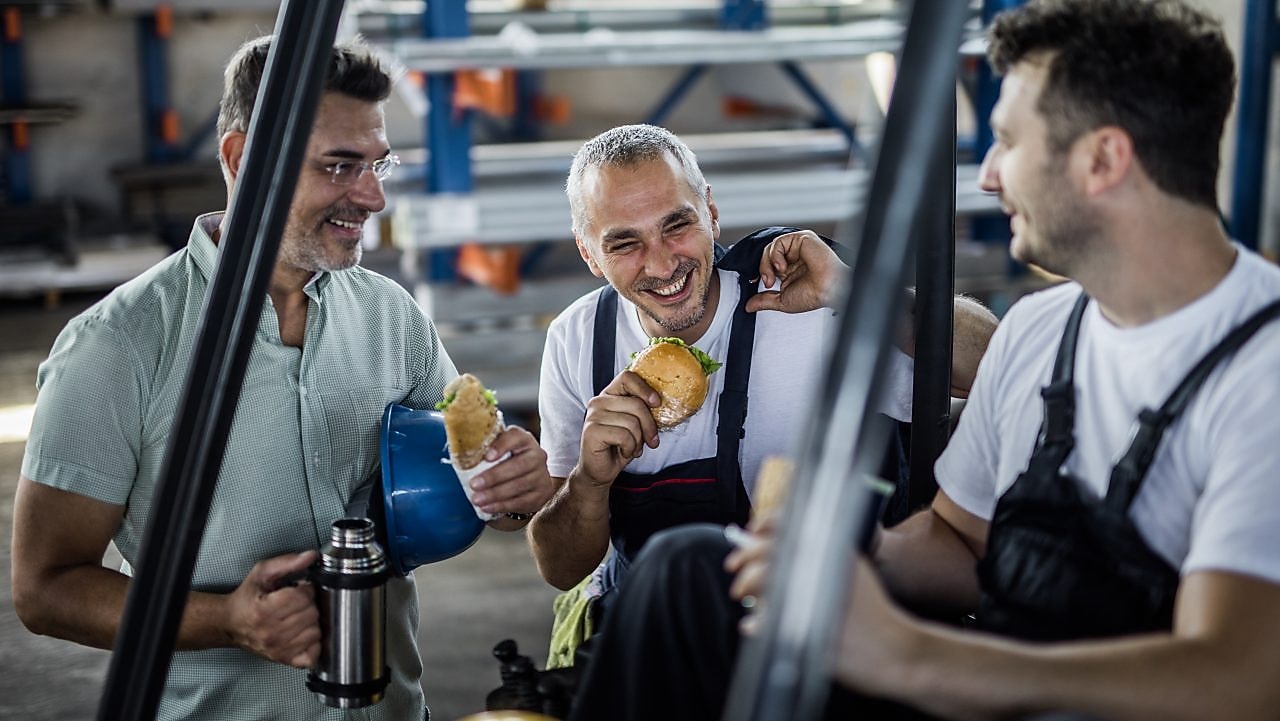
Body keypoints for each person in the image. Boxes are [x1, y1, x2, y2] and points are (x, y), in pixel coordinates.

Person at [567, 1, 1280, 720]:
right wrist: (838, 553)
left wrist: (911, 654)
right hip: (985, 676)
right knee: (687, 568)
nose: (990, 175)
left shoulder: (1261, 364)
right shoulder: (1043, 328)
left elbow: (1241, 679)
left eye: (1007, 141)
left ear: (1104, 159)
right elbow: (956, 539)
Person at [10, 36, 555, 721]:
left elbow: (474, 489)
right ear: (242, 159)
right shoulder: (116, 344)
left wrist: (512, 488)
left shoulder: (390, 316)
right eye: (339, 165)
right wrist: (225, 619)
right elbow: (45, 587)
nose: (374, 195)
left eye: (378, 163)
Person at [527, 123, 998, 625]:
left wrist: (859, 295)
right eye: (625, 244)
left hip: (826, 630)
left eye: (677, 226)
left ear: (710, 211)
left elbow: (994, 366)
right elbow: (560, 567)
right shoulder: (577, 340)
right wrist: (589, 482)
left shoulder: (809, 299)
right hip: (664, 636)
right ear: (589, 254)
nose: (663, 265)